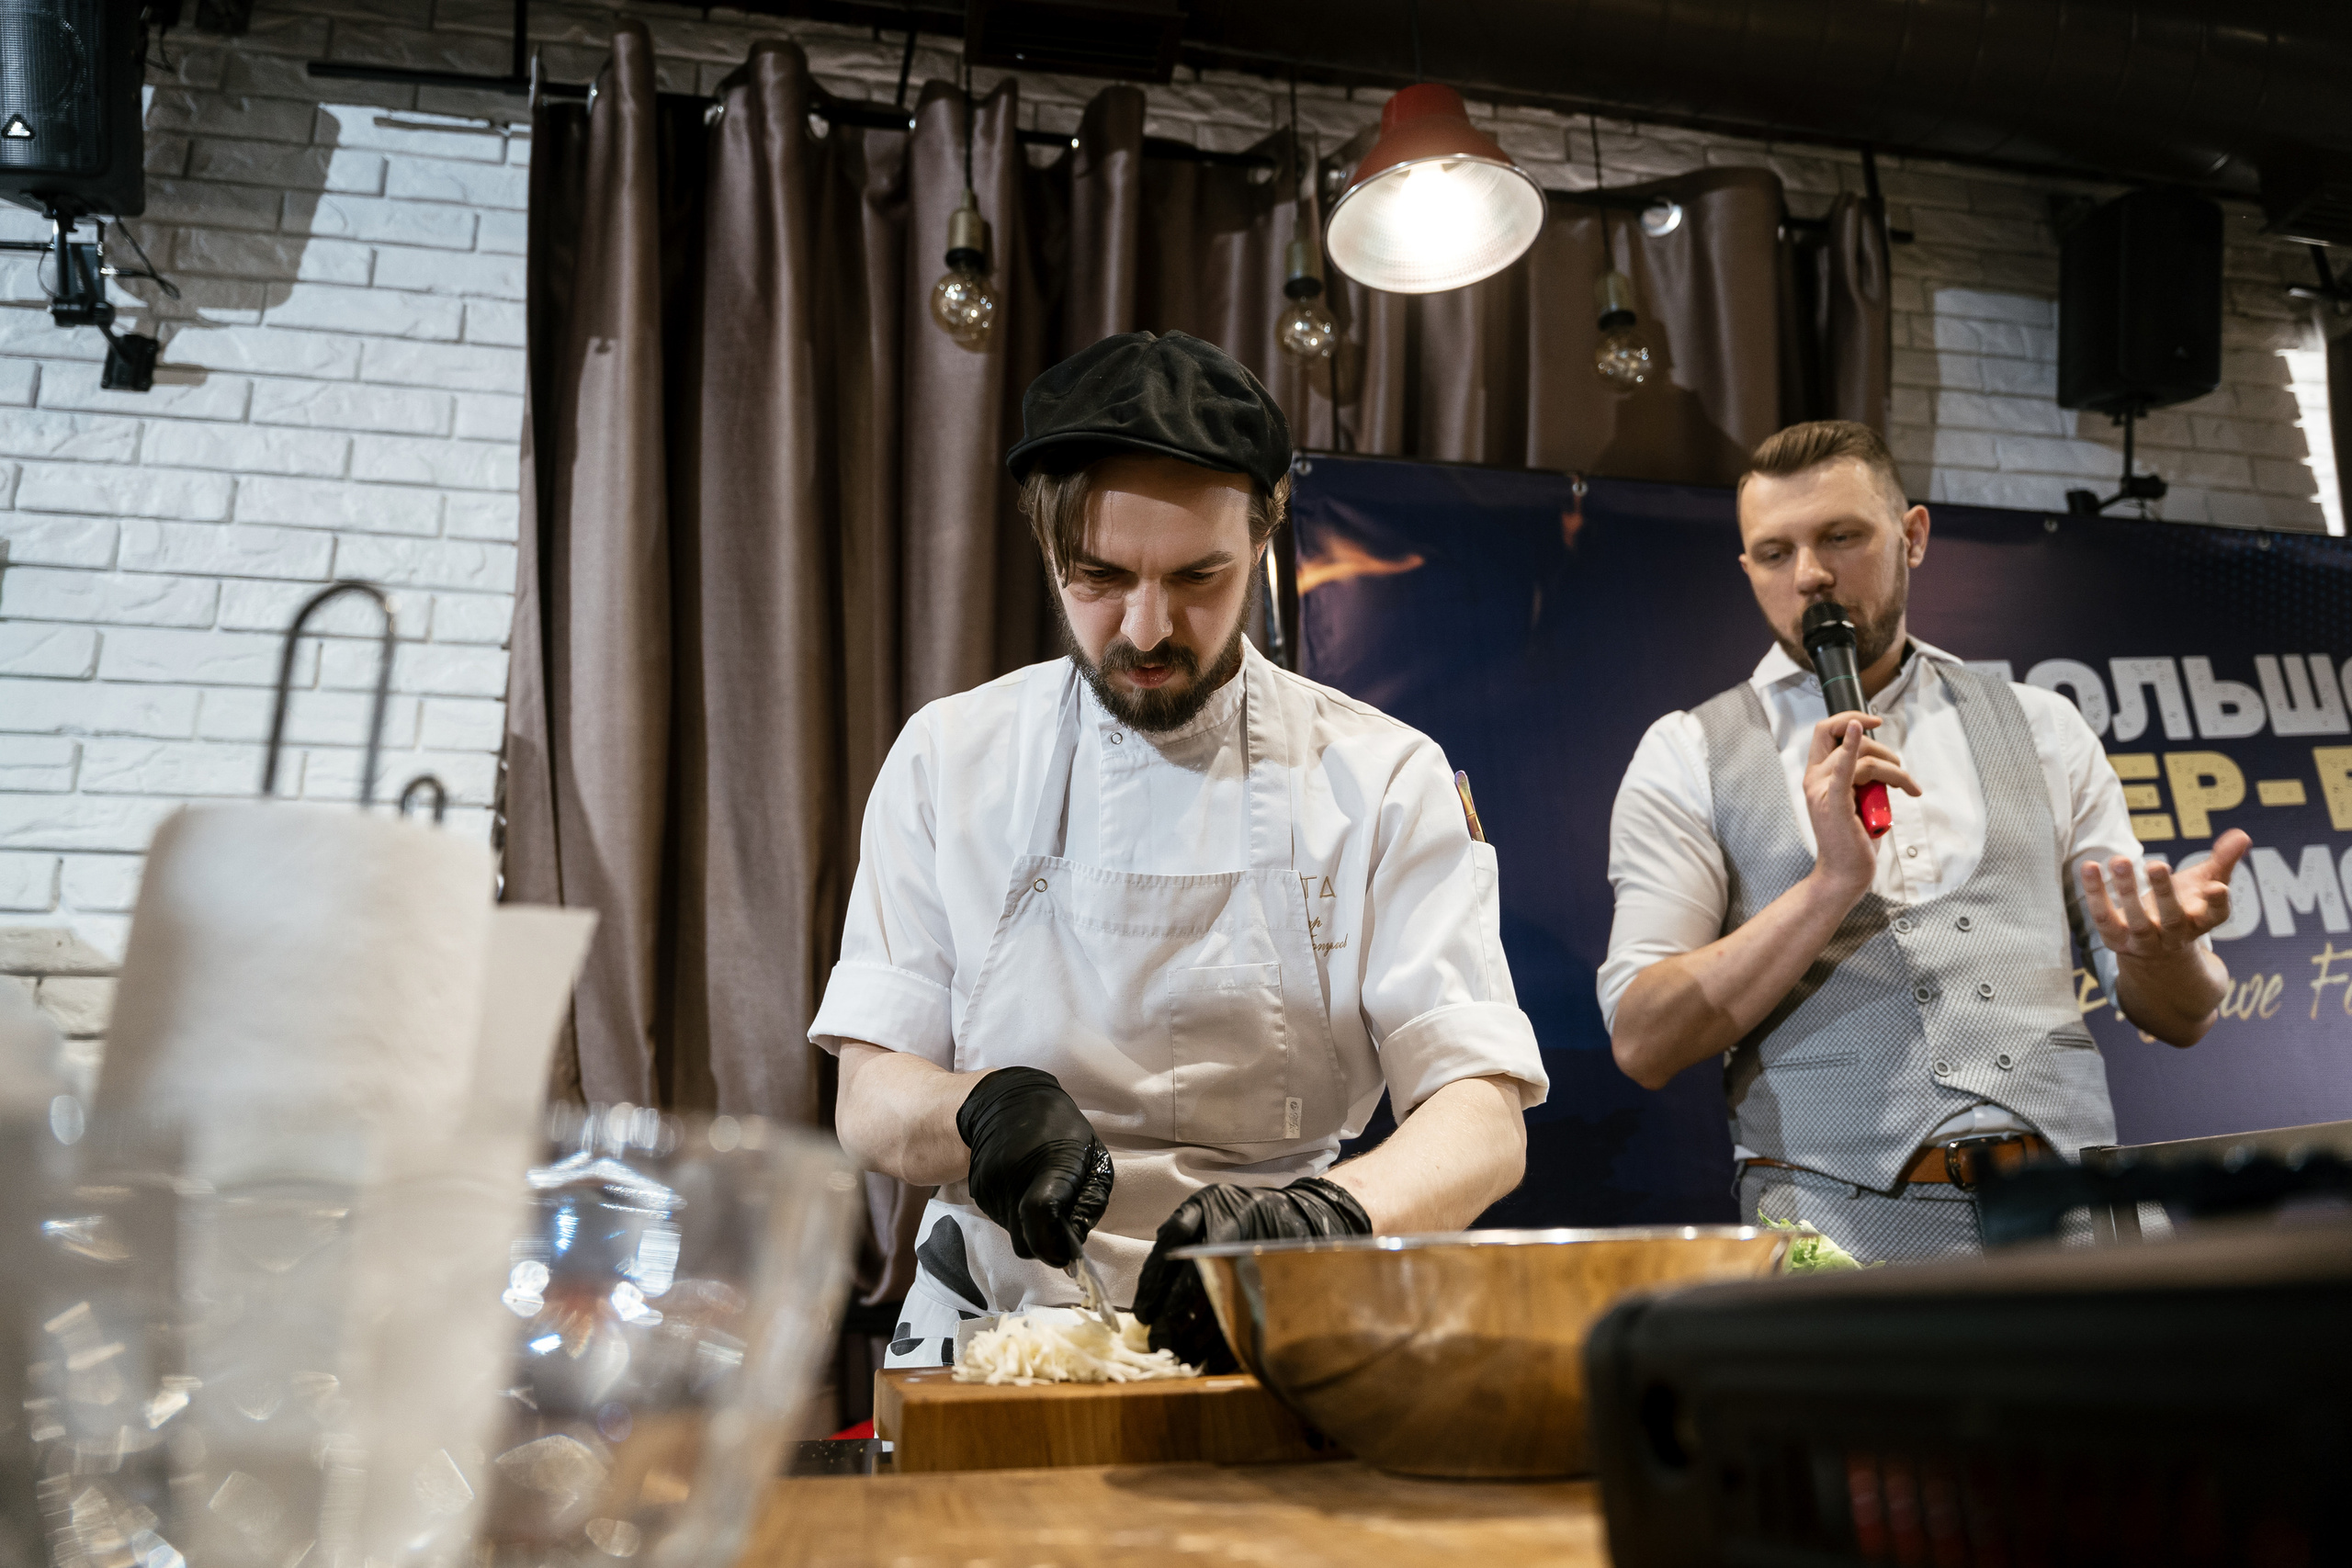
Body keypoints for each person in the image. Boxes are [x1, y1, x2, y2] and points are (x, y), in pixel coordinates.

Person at [812, 331, 1547, 1368]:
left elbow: (1479, 1114)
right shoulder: (951, 756)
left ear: (1263, 538)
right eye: (1099, 576)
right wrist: (976, 1111)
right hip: (990, 1325)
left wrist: (1321, 1218)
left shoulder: (1384, 776)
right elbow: (869, 1098)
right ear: (1044, 547)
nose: (1147, 629)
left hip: (1281, 1317)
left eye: (1198, 578)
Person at [1600, 420, 2247, 1263]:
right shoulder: (1687, 752)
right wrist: (1829, 882)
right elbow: (1644, 1041)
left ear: (1912, 536)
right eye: (1774, 552)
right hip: (1840, 1249)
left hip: (2082, 1231)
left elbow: (2181, 1014)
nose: (1811, 576)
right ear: (1747, 568)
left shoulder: (2042, 724)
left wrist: (2163, 952)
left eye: (1841, 536)